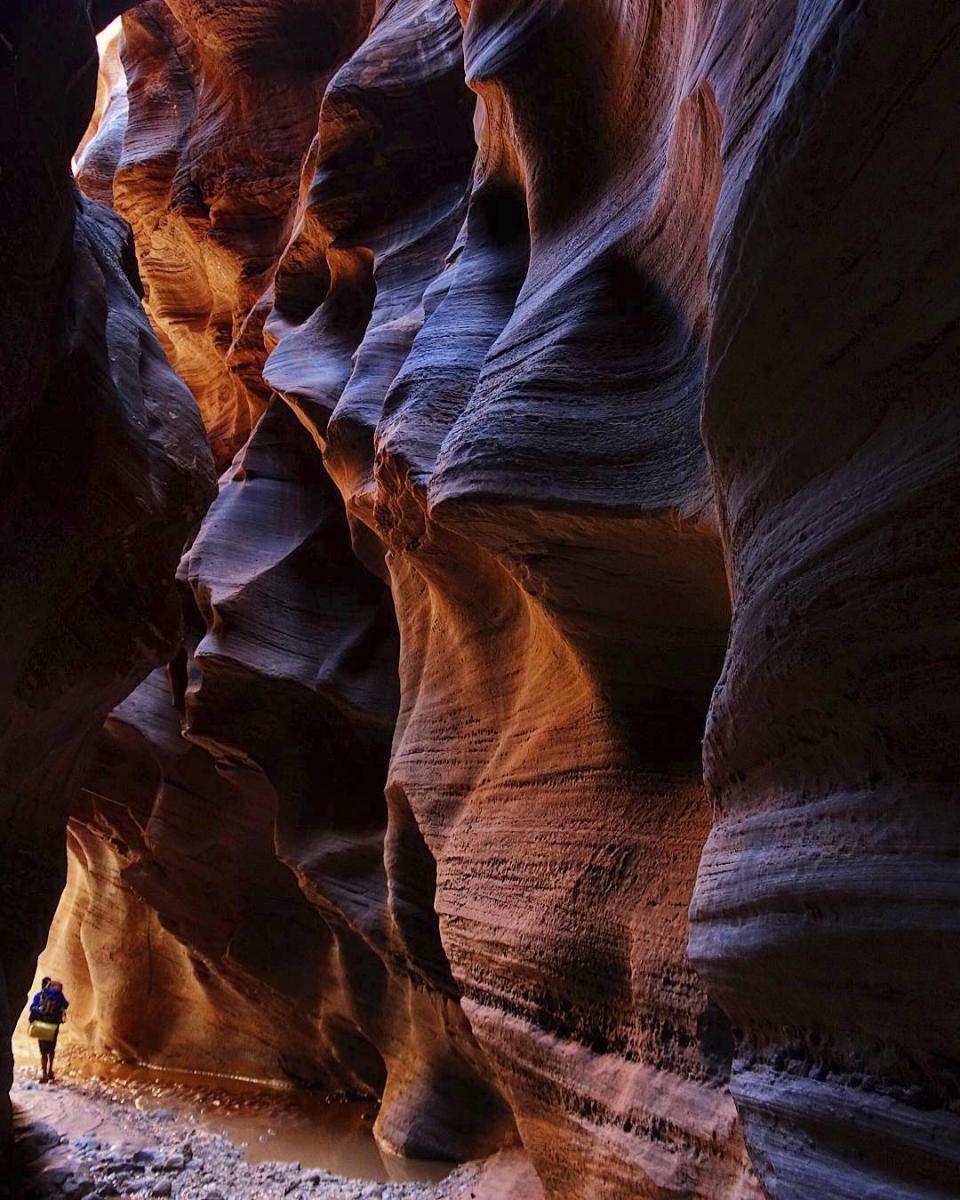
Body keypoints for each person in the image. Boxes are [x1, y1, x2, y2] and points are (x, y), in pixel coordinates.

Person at [29, 977, 69, 1083]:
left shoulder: (39, 995)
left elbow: (33, 1008)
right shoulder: (59, 996)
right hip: (54, 1026)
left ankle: (44, 1075)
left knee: (43, 1052)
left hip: (42, 1025)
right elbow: (66, 1005)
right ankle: (51, 1071)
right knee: (51, 1049)